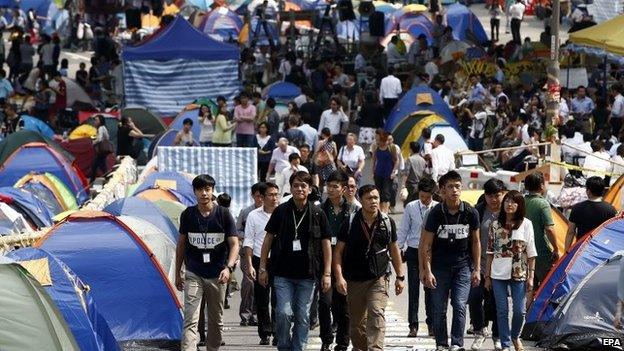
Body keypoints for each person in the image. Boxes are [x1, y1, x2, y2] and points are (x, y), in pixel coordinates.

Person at [258, 171, 332, 351]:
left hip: (308, 275)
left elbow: (326, 244)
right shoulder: (281, 211)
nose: (299, 189)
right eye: (296, 185)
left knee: (303, 316)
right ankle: (284, 346)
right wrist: (262, 268)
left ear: (310, 189)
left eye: (303, 186)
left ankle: (298, 348)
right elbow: (268, 239)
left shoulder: (317, 213)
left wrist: (327, 273)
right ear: (290, 188)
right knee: (283, 313)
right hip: (282, 274)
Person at [334, 184, 405, 350]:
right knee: (357, 325)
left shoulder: (387, 222)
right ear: (361, 200)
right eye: (369, 198)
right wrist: (339, 277)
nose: (374, 201)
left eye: (376, 198)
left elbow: (394, 250)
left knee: (376, 314)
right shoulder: (350, 222)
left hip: (378, 278)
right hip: (354, 280)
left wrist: (400, 277)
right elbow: (338, 252)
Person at [175, 174, 240, 351]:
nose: (204, 193)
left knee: (215, 320)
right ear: (194, 192)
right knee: (190, 318)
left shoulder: (224, 214)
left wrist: (229, 268)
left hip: (218, 274)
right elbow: (181, 244)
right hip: (193, 272)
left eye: (208, 189)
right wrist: (178, 273)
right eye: (200, 190)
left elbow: (234, 244)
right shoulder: (188, 214)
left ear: (212, 191)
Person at [420, 170, 481, 351]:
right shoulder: (435, 213)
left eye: (457, 186)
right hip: (439, 267)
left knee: (460, 304)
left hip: (463, 266)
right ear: (442, 190)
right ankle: (441, 343)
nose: (454, 190)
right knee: (439, 309)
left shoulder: (471, 212)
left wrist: (477, 269)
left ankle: (456, 343)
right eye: (450, 187)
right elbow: (427, 245)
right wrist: (427, 270)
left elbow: (476, 242)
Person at [485, 190, 537, 351]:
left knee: (519, 311)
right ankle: (506, 343)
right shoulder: (495, 225)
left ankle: (515, 336)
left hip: (519, 272)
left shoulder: (526, 224)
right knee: (502, 310)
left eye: (514, 202)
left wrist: (531, 276)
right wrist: (487, 276)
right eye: (507, 201)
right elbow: (490, 253)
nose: (509, 204)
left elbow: (531, 252)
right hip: (497, 273)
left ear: (520, 205)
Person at [317, 171, 358, 351]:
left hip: (345, 264)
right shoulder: (319, 210)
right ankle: (326, 339)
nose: (331, 190)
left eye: (335, 186)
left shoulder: (354, 211)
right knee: (325, 303)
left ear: (343, 188)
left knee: (344, 306)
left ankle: (343, 341)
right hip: (324, 263)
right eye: (329, 186)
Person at [397, 178, 438, 337]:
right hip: (414, 251)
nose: (425, 200)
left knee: (431, 289)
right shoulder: (411, 207)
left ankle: (431, 324)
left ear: (432, 195)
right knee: (413, 291)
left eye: (427, 197)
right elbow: (403, 230)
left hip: (431, 252)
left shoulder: (437, 208)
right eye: (422, 197)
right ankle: (413, 325)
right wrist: (398, 249)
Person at [470, 179, 506, 350]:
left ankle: (497, 336)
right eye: (490, 196)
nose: (494, 199)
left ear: (503, 194)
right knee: (475, 299)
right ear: (485, 196)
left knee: (498, 302)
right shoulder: (477, 212)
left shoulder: (509, 212)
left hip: (501, 268)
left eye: (497, 195)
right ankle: (479, 331)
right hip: (479, 265)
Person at [244, 182, 280, 345]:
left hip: (280, 260)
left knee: (279, 299)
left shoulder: (283, 213)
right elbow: (249, 241)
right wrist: (250, 265)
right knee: (262, 299)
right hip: (260, 260)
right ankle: (265, 332)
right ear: (262, 197)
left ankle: (279, 331)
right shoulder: (253, 215)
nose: (274, 198)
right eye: (271, 195)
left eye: (276, 195)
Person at [237, 183, 266, 328]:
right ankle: (245, 314)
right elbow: (237, 231)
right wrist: (249, 235)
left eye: (262, 196)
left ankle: (256, 315)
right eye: (257, 196)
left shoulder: (269, 212)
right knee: (248, 283)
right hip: (247, 251)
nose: (260, 199)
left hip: (262, 252)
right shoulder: (246, 212)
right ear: (253, 196)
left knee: (259, 285)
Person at [523, 172, 559, 289]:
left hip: (523, 250)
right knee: (546, 286)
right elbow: (549, 229)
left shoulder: (520, 202)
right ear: (542, 185)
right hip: (541, 251)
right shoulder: (543, 203)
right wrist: (556, 248)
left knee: (528, 287)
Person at [566, 176, 617, 250]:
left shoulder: (577, 208)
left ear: (588, 191)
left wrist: (566, 252)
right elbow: (613, 233)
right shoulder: (611, 209)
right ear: (603, 191)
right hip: (602, 249)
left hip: (581, 250)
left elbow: (570, 232)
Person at [371, 130, 400, 213]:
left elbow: (396, 160)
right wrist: (372, 172)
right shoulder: (376, 147)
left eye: (381, 140)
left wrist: (394, 172)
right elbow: (373, 160)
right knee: (378, 192)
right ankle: (379, 211)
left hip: (388, 174)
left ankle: (385, 212)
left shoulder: (391, 147)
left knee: (386, 193)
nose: (379, 142)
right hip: (378, 172)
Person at [91, 114, 111, 182]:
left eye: (96, 120)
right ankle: (107, 178)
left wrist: (93, 142)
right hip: (102, 151)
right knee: (100, 165)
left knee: (95, 165)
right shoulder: (102, 128)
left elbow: (99, 139)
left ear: (100, 121)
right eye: (95, 120)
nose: (95, 121)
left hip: (102, 150)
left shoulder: (101, 128)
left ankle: (91, 181)